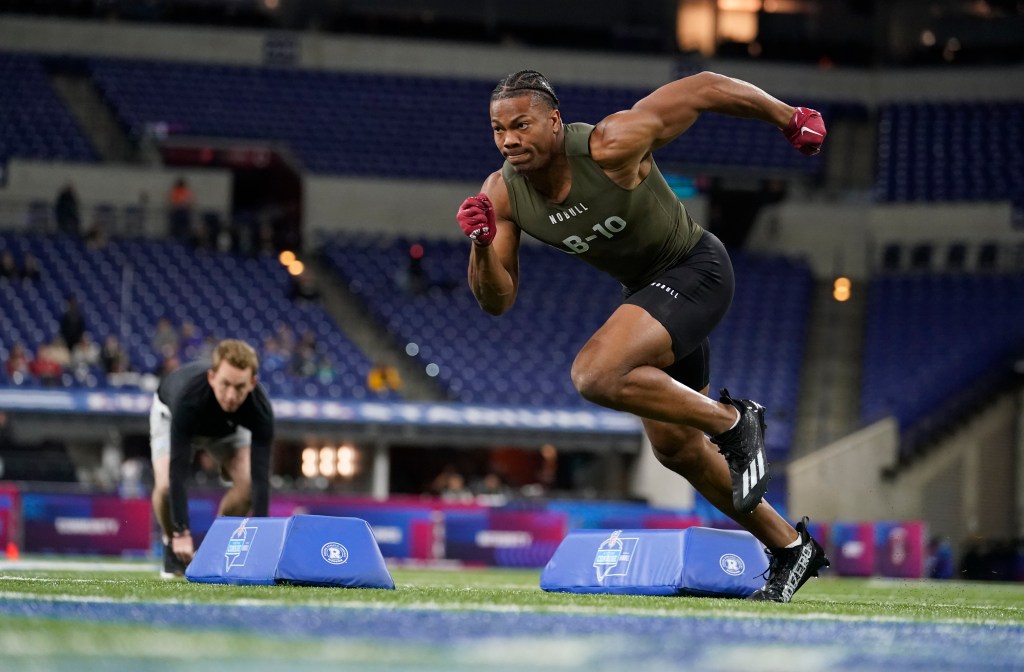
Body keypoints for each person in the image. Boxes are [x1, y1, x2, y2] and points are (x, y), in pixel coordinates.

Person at [456, 70, 830, 603]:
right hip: (651, 295)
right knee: (677, 450)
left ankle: (733, 420)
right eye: (498, 130)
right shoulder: (504, 194)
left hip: (697, 269)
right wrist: (479, 244)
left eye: (522, 125)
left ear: (555, 120)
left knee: (596, 373)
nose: (510, 140)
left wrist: (787, 116)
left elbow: (701, 88)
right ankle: (791, 546)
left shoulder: (612, 144)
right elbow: (498, 300)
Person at [149, 339, 274, 578]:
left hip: (226, 429)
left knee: (247, 485)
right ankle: (170, 546)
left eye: (239, 388)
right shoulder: (188, 398)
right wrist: (181, 532)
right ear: (211, 377)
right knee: (164, 486)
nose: (230, 395)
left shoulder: (260, 408)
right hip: (171, 416)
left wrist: (262, 541)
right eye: (225, 384)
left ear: (252, 383)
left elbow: (261, 478)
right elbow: (179, 471)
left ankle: (215, 549)